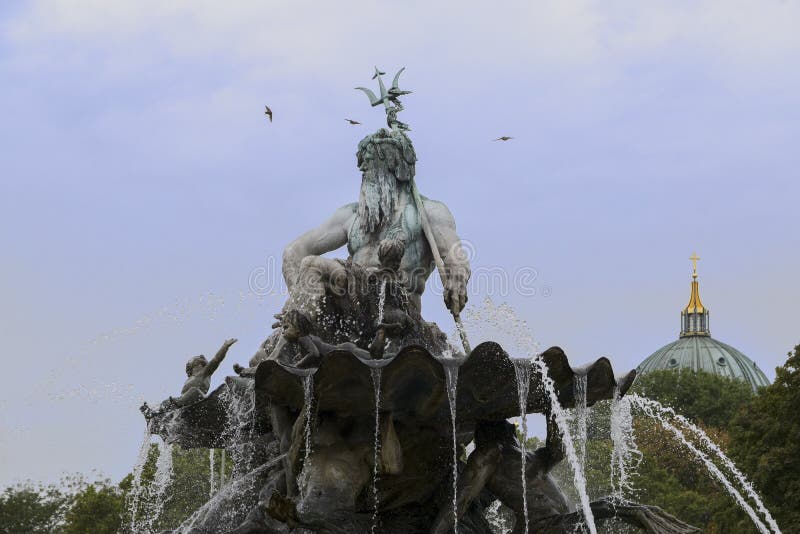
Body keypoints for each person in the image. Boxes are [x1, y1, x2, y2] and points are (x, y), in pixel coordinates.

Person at [142, 338, 237, 416]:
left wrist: (225, 347)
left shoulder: (204, 373)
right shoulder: (190, 378)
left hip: (199, 399)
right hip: (184, 402)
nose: (200, 365)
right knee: (165, 402)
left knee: (194, 391)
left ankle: (176, 405)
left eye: (200, 363)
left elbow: (216, 360)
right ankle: (155, 414)